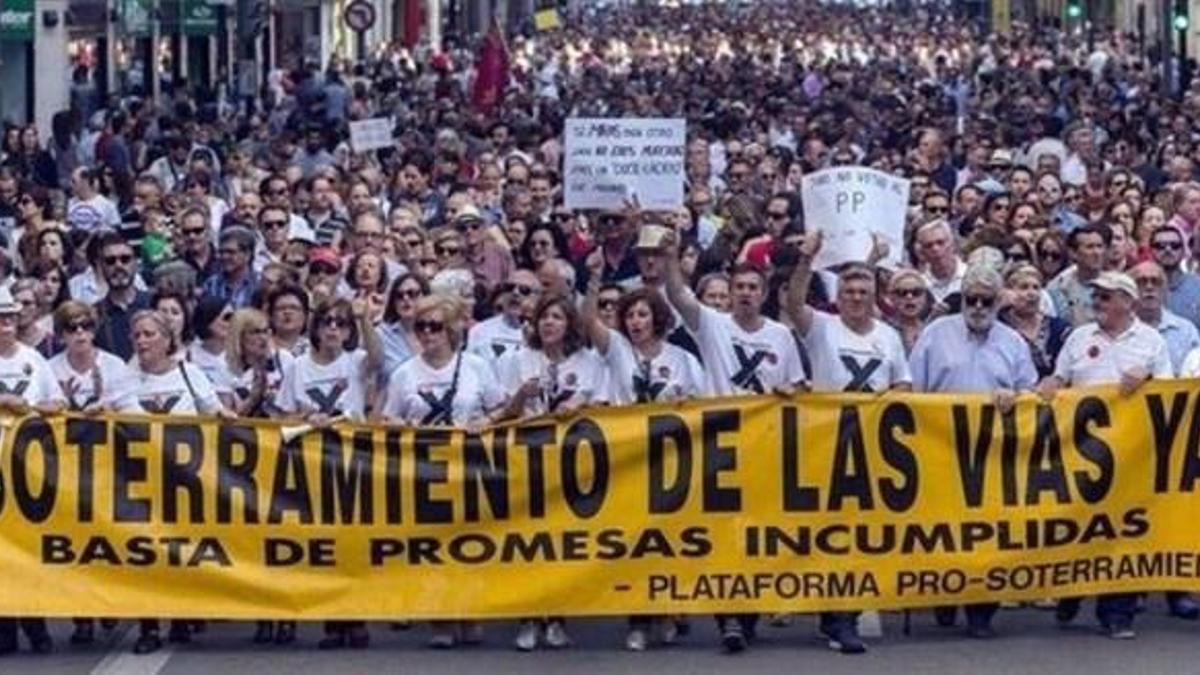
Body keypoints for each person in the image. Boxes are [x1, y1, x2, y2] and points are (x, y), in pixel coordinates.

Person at [664, 230, 804, 653]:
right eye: (738, 287)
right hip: (720, 445)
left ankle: (748, 615)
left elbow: (796, 387)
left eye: (751, 288)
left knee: (758, 533)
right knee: (725, 533)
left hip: (765, 445)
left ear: (763, 294)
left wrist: (788, 396)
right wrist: (671, 255)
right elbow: (677, 294)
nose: (744, 294)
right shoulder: (713, 324)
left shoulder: (780, 336)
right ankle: (729, 619)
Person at [786, 230, 910, 655]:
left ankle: (845, 616)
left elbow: (903, 385)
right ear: (838, 295)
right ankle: (833, 616)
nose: (856, 297)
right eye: (849, 290)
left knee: (859, 536)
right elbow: (793, 304)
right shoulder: (822, 327)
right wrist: (806, 260)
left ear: (874, 295)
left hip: (873, 448)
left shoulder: (889, 336)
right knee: (829, 534)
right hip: (825, 445)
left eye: (864, 290)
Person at [1037, 271, 1172, 639]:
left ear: (1127, 302)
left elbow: (1172, 397)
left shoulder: (1152, 342)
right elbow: (1059, 380)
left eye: (1105, 297)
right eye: (1095, 296)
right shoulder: (1079, 338)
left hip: (1131, 455)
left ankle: (1117, 613)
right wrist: (1049, 385)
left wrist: (1147, 379)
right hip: (1079, 452)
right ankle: (1071, 591)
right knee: (1077, 525)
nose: (1097, 302)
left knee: (1124, 532)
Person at [910, 264, 1038, 638]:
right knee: (943, 531)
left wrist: (1014, 397)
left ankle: (982, 609)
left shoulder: (1013, 342)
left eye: (986, 300)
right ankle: (945, 596)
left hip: (992, 455)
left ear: (999, 302)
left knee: (987, 534)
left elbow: (1030, 394)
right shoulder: (935, 334)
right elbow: (913, 389)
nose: (978, 307)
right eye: (971, 299)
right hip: (941, 448)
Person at [580, 281, 704, 651]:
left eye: (642, 314)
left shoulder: (681, 359)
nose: (635, 322)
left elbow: (701, 404)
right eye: (630, 315)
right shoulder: (617, 350)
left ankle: (667, 609)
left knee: (668, 541)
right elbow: (588, 319)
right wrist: (593, 281)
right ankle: (637, 619)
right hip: (628, 461)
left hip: (670, 462)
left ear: (657, 319)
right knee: (635, 542)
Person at [379, 294, 503, 649]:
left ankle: (472, 612)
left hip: (469, 467)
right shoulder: (405, 372)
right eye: (421, 327)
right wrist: (400, 424)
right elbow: (388, 417)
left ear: (450, 330)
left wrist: (486, 421)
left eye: (434, 327)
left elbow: (498, 407)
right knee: (433, 545)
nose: (427, 334)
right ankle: (441, 617)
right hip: (423, 469)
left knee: (472, 541)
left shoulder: (476, 366)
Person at [494, 294, 608, 652]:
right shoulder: (517, 360)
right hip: (527, 461)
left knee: (563, 544)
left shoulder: (589, 362)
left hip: (572, 464)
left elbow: (604, 408)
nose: (548, 324)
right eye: (544, 317)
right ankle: (528, 615)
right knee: (529, 543)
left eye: (557, 317)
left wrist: (581, 407)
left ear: (569, 324)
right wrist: (519, 396)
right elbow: (500, 414)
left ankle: (557, 616)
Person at [0, 285, 64, 656]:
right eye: (0, 318)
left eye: (9, 317)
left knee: (29, 547)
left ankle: (35, 623)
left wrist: (35, 407)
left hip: (29, 468)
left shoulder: (34, 360)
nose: (5, 324)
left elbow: (57, 400)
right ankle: (6, 626)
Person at [1000, 265, 1072, 378]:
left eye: (1036, 288)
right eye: (1024, 287)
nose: (1031, 293)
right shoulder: (999, 327)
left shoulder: (1058, 328)